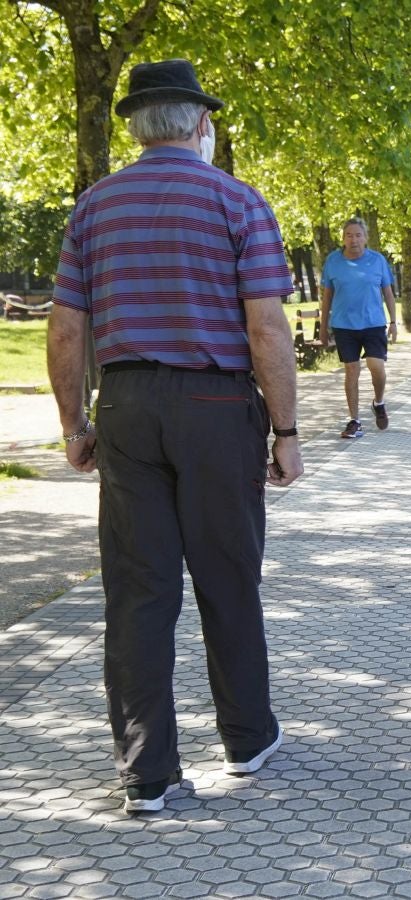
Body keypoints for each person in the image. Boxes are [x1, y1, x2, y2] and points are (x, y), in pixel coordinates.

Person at [46, 58, 301, 814]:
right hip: (217, 406)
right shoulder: (239, 202)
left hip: (126, 403)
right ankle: (248, 737)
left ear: (134, 124)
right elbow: (266, 329)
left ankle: (146, 772)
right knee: (228, 576)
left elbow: (65, 332)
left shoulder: (93, 208)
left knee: (137, 591)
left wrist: (74, 424)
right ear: (198, 122)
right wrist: (286, 429)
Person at [320, 217, 397, 438]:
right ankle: (354, 420)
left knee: (376, 366)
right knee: (351, 370)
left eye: (358, 235)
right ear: (343, 239)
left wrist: (393, 322)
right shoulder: (333, 262)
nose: (353, 239)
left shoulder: (378, 260)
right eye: (349, 235)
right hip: (344, 326)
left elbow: (388, 293)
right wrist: (323, 329)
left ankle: (379, 402)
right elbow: (326, 297)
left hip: (373, 323)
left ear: (365, 238)